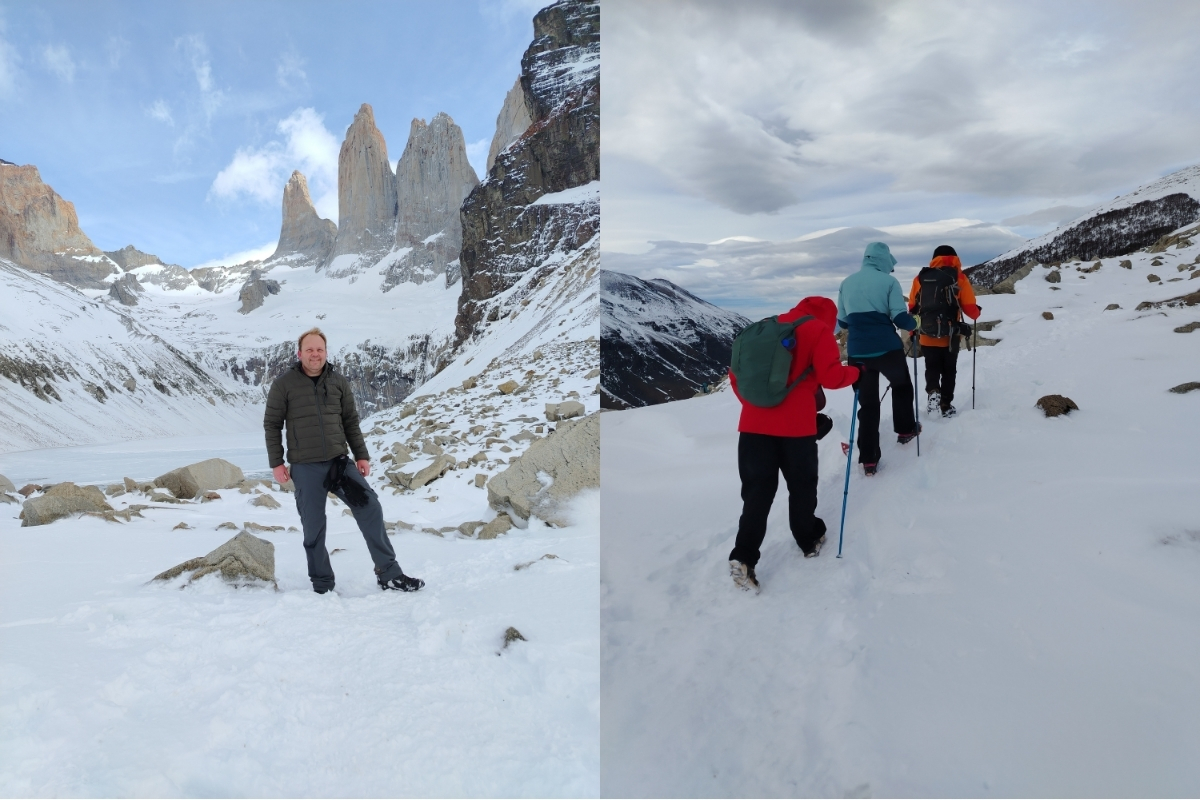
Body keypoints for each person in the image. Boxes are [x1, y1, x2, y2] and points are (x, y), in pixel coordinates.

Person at [264, 327, 424, 594]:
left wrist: (361, 455)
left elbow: (350, 421)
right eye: (310, 350)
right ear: (299, 353)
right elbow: (272, 425)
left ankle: (389, 574)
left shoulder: (338, 382)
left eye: (320, 350)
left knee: (370, 506)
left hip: (340, 463)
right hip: (305, 466)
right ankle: (323, 584)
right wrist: (277, 462)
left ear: (325, 352)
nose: (315, 355)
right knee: (313, 527)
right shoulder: (284, 385)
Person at [727, 296, 860, 593]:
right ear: (828, 318)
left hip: (752, 426)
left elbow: (736, 376)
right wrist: (857, 372)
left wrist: (756, 407)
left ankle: (743, 556)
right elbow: (832, 376)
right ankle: (808, 539)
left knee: (757, 494)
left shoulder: (763, 328)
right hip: (796, 427)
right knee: (801, 485)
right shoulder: (817, 330)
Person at [836, 241, 920, 476]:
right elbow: (900, 318)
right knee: (901, 386)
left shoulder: (846, 283)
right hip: (887, 350)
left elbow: (843, 322)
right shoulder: (889, 282)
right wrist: (915, 323)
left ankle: (869, 458)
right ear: (884, 260)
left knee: (868, 404)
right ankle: (905, 431)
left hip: (858, 352)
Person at [908, 244, 981, 418]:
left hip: (926, 333)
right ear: (956, 258)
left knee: (931, 367)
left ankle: (933, 391)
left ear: (934, 259)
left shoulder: (920, 278)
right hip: (951, 335)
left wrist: (912, 332)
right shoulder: (959, 277)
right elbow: (970, 309)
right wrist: (977, 311)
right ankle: (946, 404)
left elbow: (912, 307)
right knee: (949, 370)